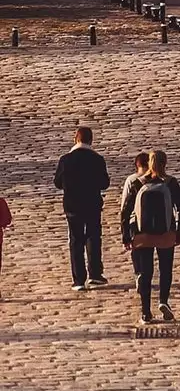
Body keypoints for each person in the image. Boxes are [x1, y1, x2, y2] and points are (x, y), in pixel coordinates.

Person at [122, 151, 180, 325]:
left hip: (143, 234)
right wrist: (178, 232)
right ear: (165, 163)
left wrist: (126, 236)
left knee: (145, 272)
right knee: (165, 270)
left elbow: (125, 211)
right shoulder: (170, 183)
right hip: (166, 232)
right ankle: (163, 301)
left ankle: (145, 312)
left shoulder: (137, 183)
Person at [52, 124, 109, 291]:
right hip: (92, 204)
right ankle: (95, 274)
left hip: (72, 206)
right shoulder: (97, 159)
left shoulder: (66, 160)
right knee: (93, 237)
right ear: (91, 141)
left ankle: (78, 279)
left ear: (75, 139)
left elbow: (57, 183)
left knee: (75, 240)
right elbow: (104, 183)